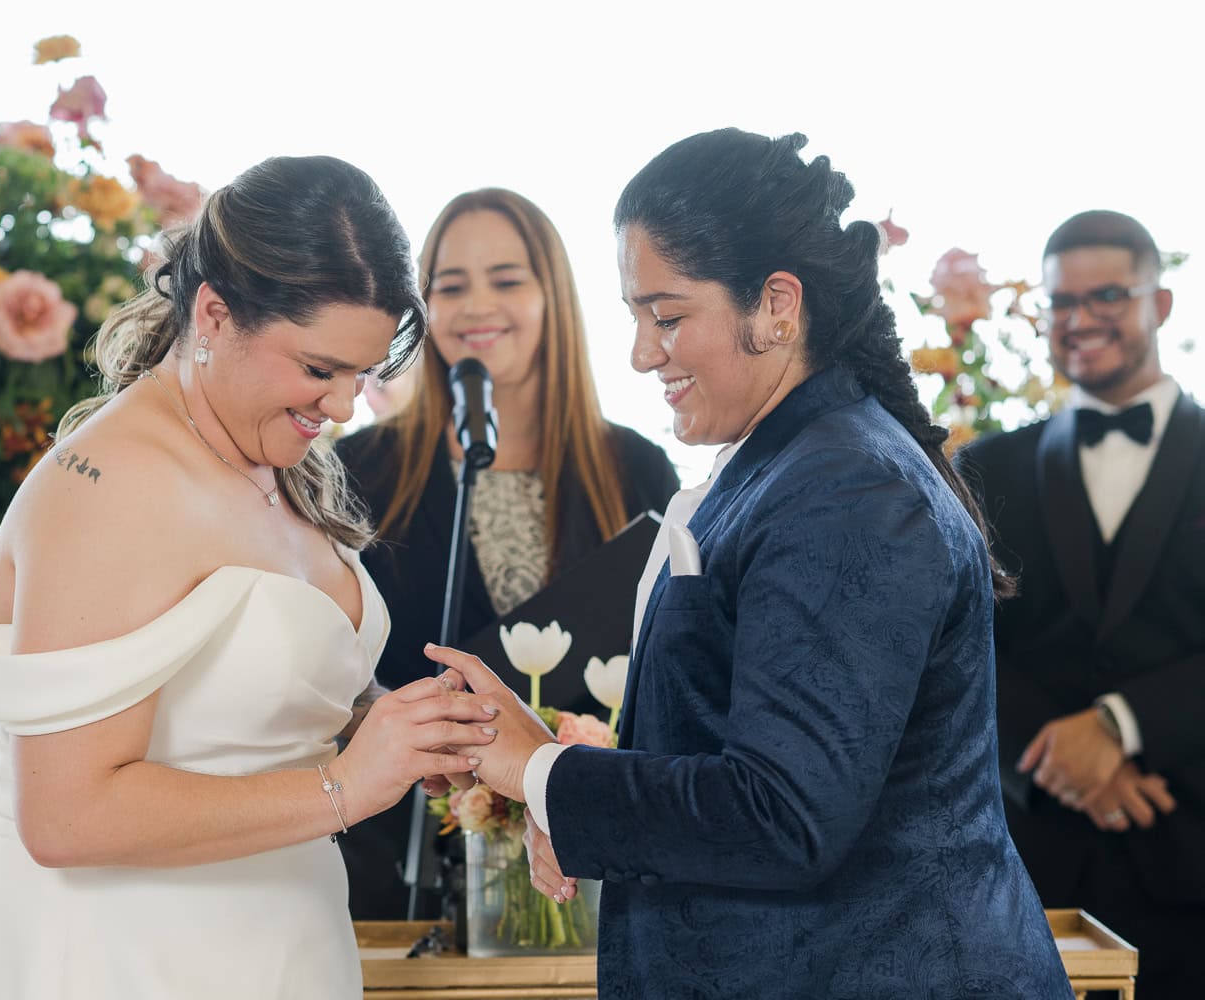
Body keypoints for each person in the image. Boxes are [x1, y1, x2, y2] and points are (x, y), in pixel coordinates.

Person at [425, 130, 1074, 998]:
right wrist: (562, 795)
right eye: (634, 318)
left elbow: (784, 816)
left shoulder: (848, 491)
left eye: (667, 316)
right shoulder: (793, 462)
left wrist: (538, 772)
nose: (642, 354)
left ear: (776, 304)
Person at [0, 156, 498, 999]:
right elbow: (66, 814)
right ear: (213, 313)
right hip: (121, 961)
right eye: (318, 368)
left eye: (362, 374)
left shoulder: (269, 455)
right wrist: (347, 785)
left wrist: (403, 730)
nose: (343, 406)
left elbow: (258, 712)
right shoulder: (109, 486)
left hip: (279, 945)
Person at [335, 187, 678, 918]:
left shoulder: (636, 470)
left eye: (507, 280)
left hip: (587, 884)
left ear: (552, 296)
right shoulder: (360, 470)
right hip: (398, 875)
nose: (476, 306)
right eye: (450, 286)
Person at [955, 210, 1204, 999]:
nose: (1080, 320)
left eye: (1107, 296)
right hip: (1029, 873)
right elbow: (956, 640)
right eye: (1063, 303)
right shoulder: (982, 467)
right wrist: (1061, 758)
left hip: (1191, 857)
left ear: (1159, 306)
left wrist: (1119, 727)